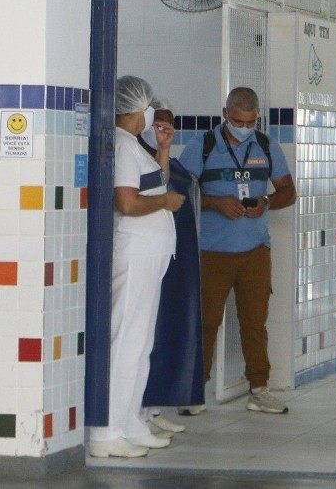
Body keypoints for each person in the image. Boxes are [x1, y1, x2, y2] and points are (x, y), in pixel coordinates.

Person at [178, 87, 296, 415]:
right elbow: (179, 194)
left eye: (249, 121)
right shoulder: (201, 147)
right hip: (211, 251)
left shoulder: (267, 146)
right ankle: (194, 390)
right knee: (206, 321)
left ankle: (259, 390)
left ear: (257, 117)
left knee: (255, 322)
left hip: (255, 250)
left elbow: (289, 192)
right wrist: (215, 203)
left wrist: (266, 202)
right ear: (225, 114)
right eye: (237, 120)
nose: (243, 127)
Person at [88, 77, 186, 459]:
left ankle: (130, 422)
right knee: (124, 340)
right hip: (134, 253)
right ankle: (106, 431)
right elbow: (127, 203)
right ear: (137, 107)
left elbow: (155, 182)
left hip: (150, 256)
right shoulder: (122, 145)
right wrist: (164, 203)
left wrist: (163, 149)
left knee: (140, 343)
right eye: (149, 105)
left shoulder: (135, 146)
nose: (152, 112)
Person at [138, 102, 200, 436]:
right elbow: (146, 196)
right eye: (156, 124)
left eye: (167, 126)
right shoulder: (131, 156)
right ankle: (137, 412)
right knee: (140, 338)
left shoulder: (169, 162)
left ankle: (154, 406)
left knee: (158, 334)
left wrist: (164, 149)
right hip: (140, 259)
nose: (162, 130)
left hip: (169, 259)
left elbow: (163, 182)